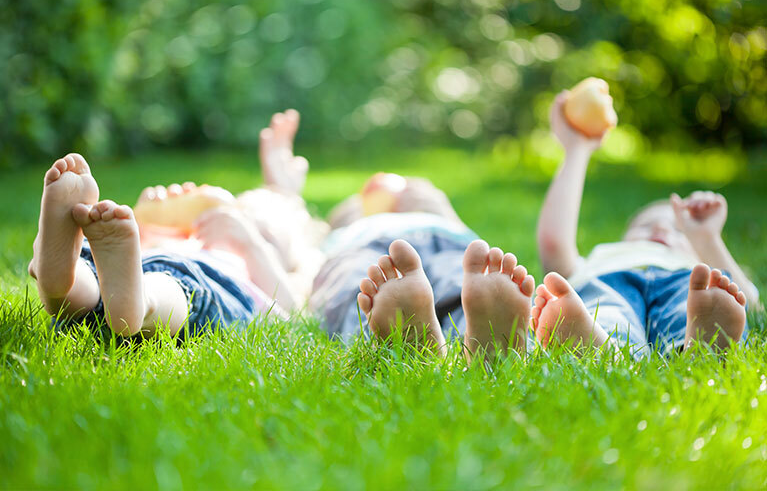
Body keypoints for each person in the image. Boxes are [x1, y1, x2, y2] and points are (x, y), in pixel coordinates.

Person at [27, 110, 323, 338]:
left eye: (265, 232)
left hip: (197, 276)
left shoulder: (248, 267)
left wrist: (251, 244)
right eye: (242, 210)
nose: (237, 221)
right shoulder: (184, 236)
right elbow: (126, 251)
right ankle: (64, 281)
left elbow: (291, 314)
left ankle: (127, 302)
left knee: (174, 285)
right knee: (102, 272)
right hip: (136, 264)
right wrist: (144, 224)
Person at [531, 91, 759, 356]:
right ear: (624, 239)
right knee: (604, 310)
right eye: (646, 225)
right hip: (608, 283)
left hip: (684, 284)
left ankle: (699, 347)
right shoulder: (602, 259)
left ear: (694, 248)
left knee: (693, 308)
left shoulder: (699, 269)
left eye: (678, 230)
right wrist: (576, 150)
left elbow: (751, 305)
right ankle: (601, 347)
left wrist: (706, 238)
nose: (661, 229)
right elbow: (553, 244)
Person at [311, 185, 535, 362]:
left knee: (361, 285)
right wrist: (352, 211)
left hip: (441, 238)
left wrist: (439, 209)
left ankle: (408, 347)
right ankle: (490, 346)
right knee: (454, 279)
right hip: (378, 243)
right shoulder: (348, 226)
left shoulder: (442, 217)